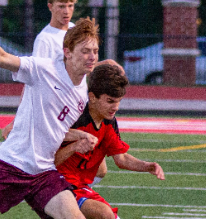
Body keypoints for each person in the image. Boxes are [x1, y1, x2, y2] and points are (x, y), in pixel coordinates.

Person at [0, 17, 101, 219]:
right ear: (67, 52)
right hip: (11, 164)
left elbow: (55, 129)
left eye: (95, 51)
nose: (91, 57)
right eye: (85, 51)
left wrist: (79, 136)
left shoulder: (82, 92)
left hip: (43, 172)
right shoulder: (44, 68)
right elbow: (0, 58)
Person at [1, 0, 109, 187]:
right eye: (61, 6)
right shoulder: (45, 40)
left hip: (77, 105)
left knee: (98, 167)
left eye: (70, 6)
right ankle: (62, 196)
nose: (66, 11)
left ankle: (66, 196)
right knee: (80, 164)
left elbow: (82, 67)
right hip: (58, 110)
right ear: (50, 6)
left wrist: (105, 65)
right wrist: (18, 119)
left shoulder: (74, 30)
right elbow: (33, 79)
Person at [55, 64, 165, 219]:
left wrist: (146, 166)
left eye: (118, 101)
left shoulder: (108, 121)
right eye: (110, 101)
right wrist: (75, 144)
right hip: (56, 184)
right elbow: (48, 159)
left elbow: (122, 158)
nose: (115, 107)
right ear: (92, 97)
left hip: (79, 185)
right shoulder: (74, 116)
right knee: (104, 213)